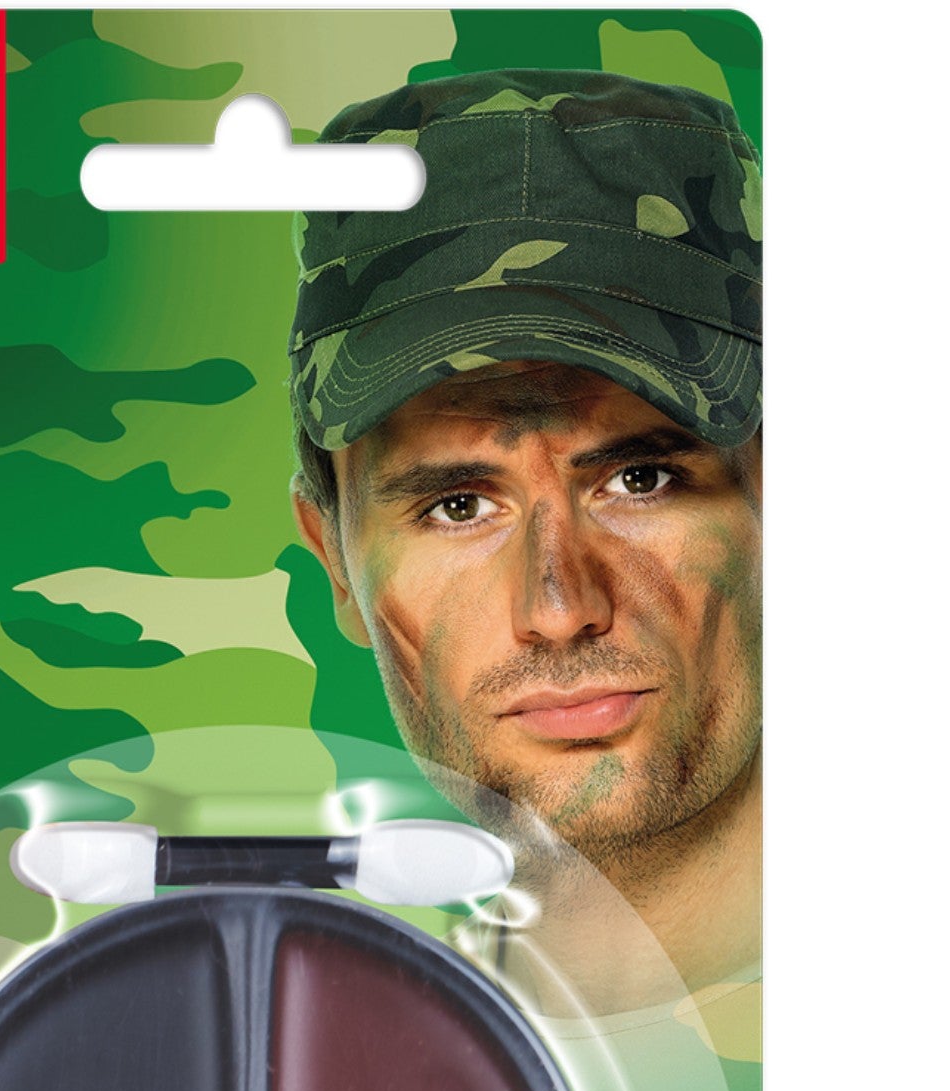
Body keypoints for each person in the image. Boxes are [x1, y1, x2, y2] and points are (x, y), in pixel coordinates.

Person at [289, 70, 761, 1007]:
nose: (558, 607)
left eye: (641, 479)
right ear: (334, 559)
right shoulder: (324, 1048)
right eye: (459, 505)